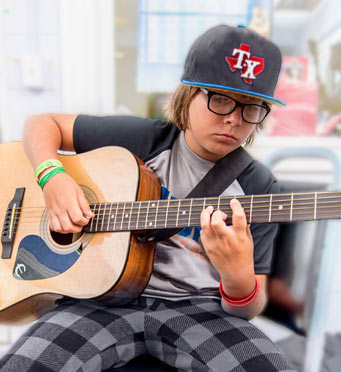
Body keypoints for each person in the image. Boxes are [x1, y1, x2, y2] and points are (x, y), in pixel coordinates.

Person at [0, 25, 297, 371]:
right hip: (99, 301)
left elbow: (248, 307)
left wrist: (236, 276)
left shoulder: (258, 186)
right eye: (220, 99)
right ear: (189, 94)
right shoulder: (142, 140)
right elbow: (41, 123)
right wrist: (53, 178)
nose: (234, 119)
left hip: (200, 311)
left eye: (252, 107)